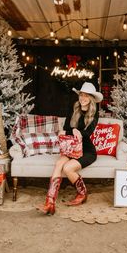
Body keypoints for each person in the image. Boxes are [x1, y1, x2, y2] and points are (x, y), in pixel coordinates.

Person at [38, 82, 103, 215]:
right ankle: (50, 202)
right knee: (58, 164)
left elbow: (88, 133)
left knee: (68, 168)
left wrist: (77, 132)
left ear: (91, 98)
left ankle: (82, 193)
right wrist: (68, 131)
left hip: (87, 150)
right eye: (81, 95)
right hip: (71, 147)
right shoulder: (74, 108)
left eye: (86, 96)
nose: (82, 98)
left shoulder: (94, 113)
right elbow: (67, 127)